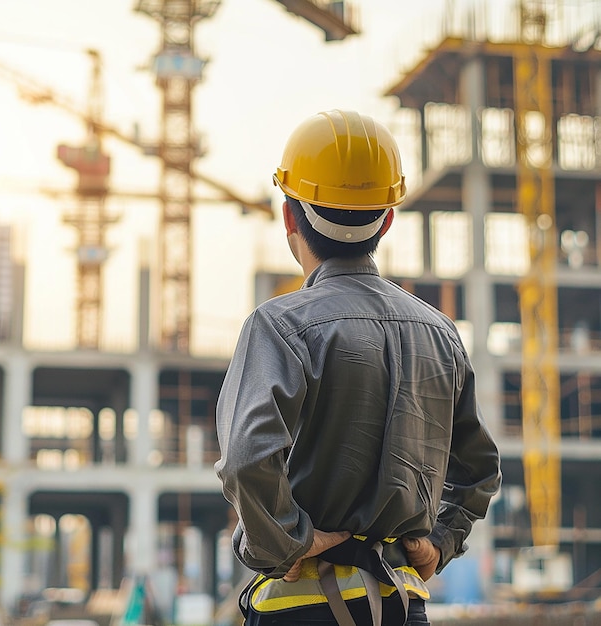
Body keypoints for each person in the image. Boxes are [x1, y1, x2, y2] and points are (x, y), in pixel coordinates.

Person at [215, 109, 501, 626]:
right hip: (401, 605)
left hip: (300, 607)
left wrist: (289, 540)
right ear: (387, 219)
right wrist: (440, 541)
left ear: (288, 217)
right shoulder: (439, 332)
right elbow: (479, 468)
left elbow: (245, 458)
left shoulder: (279, 326)